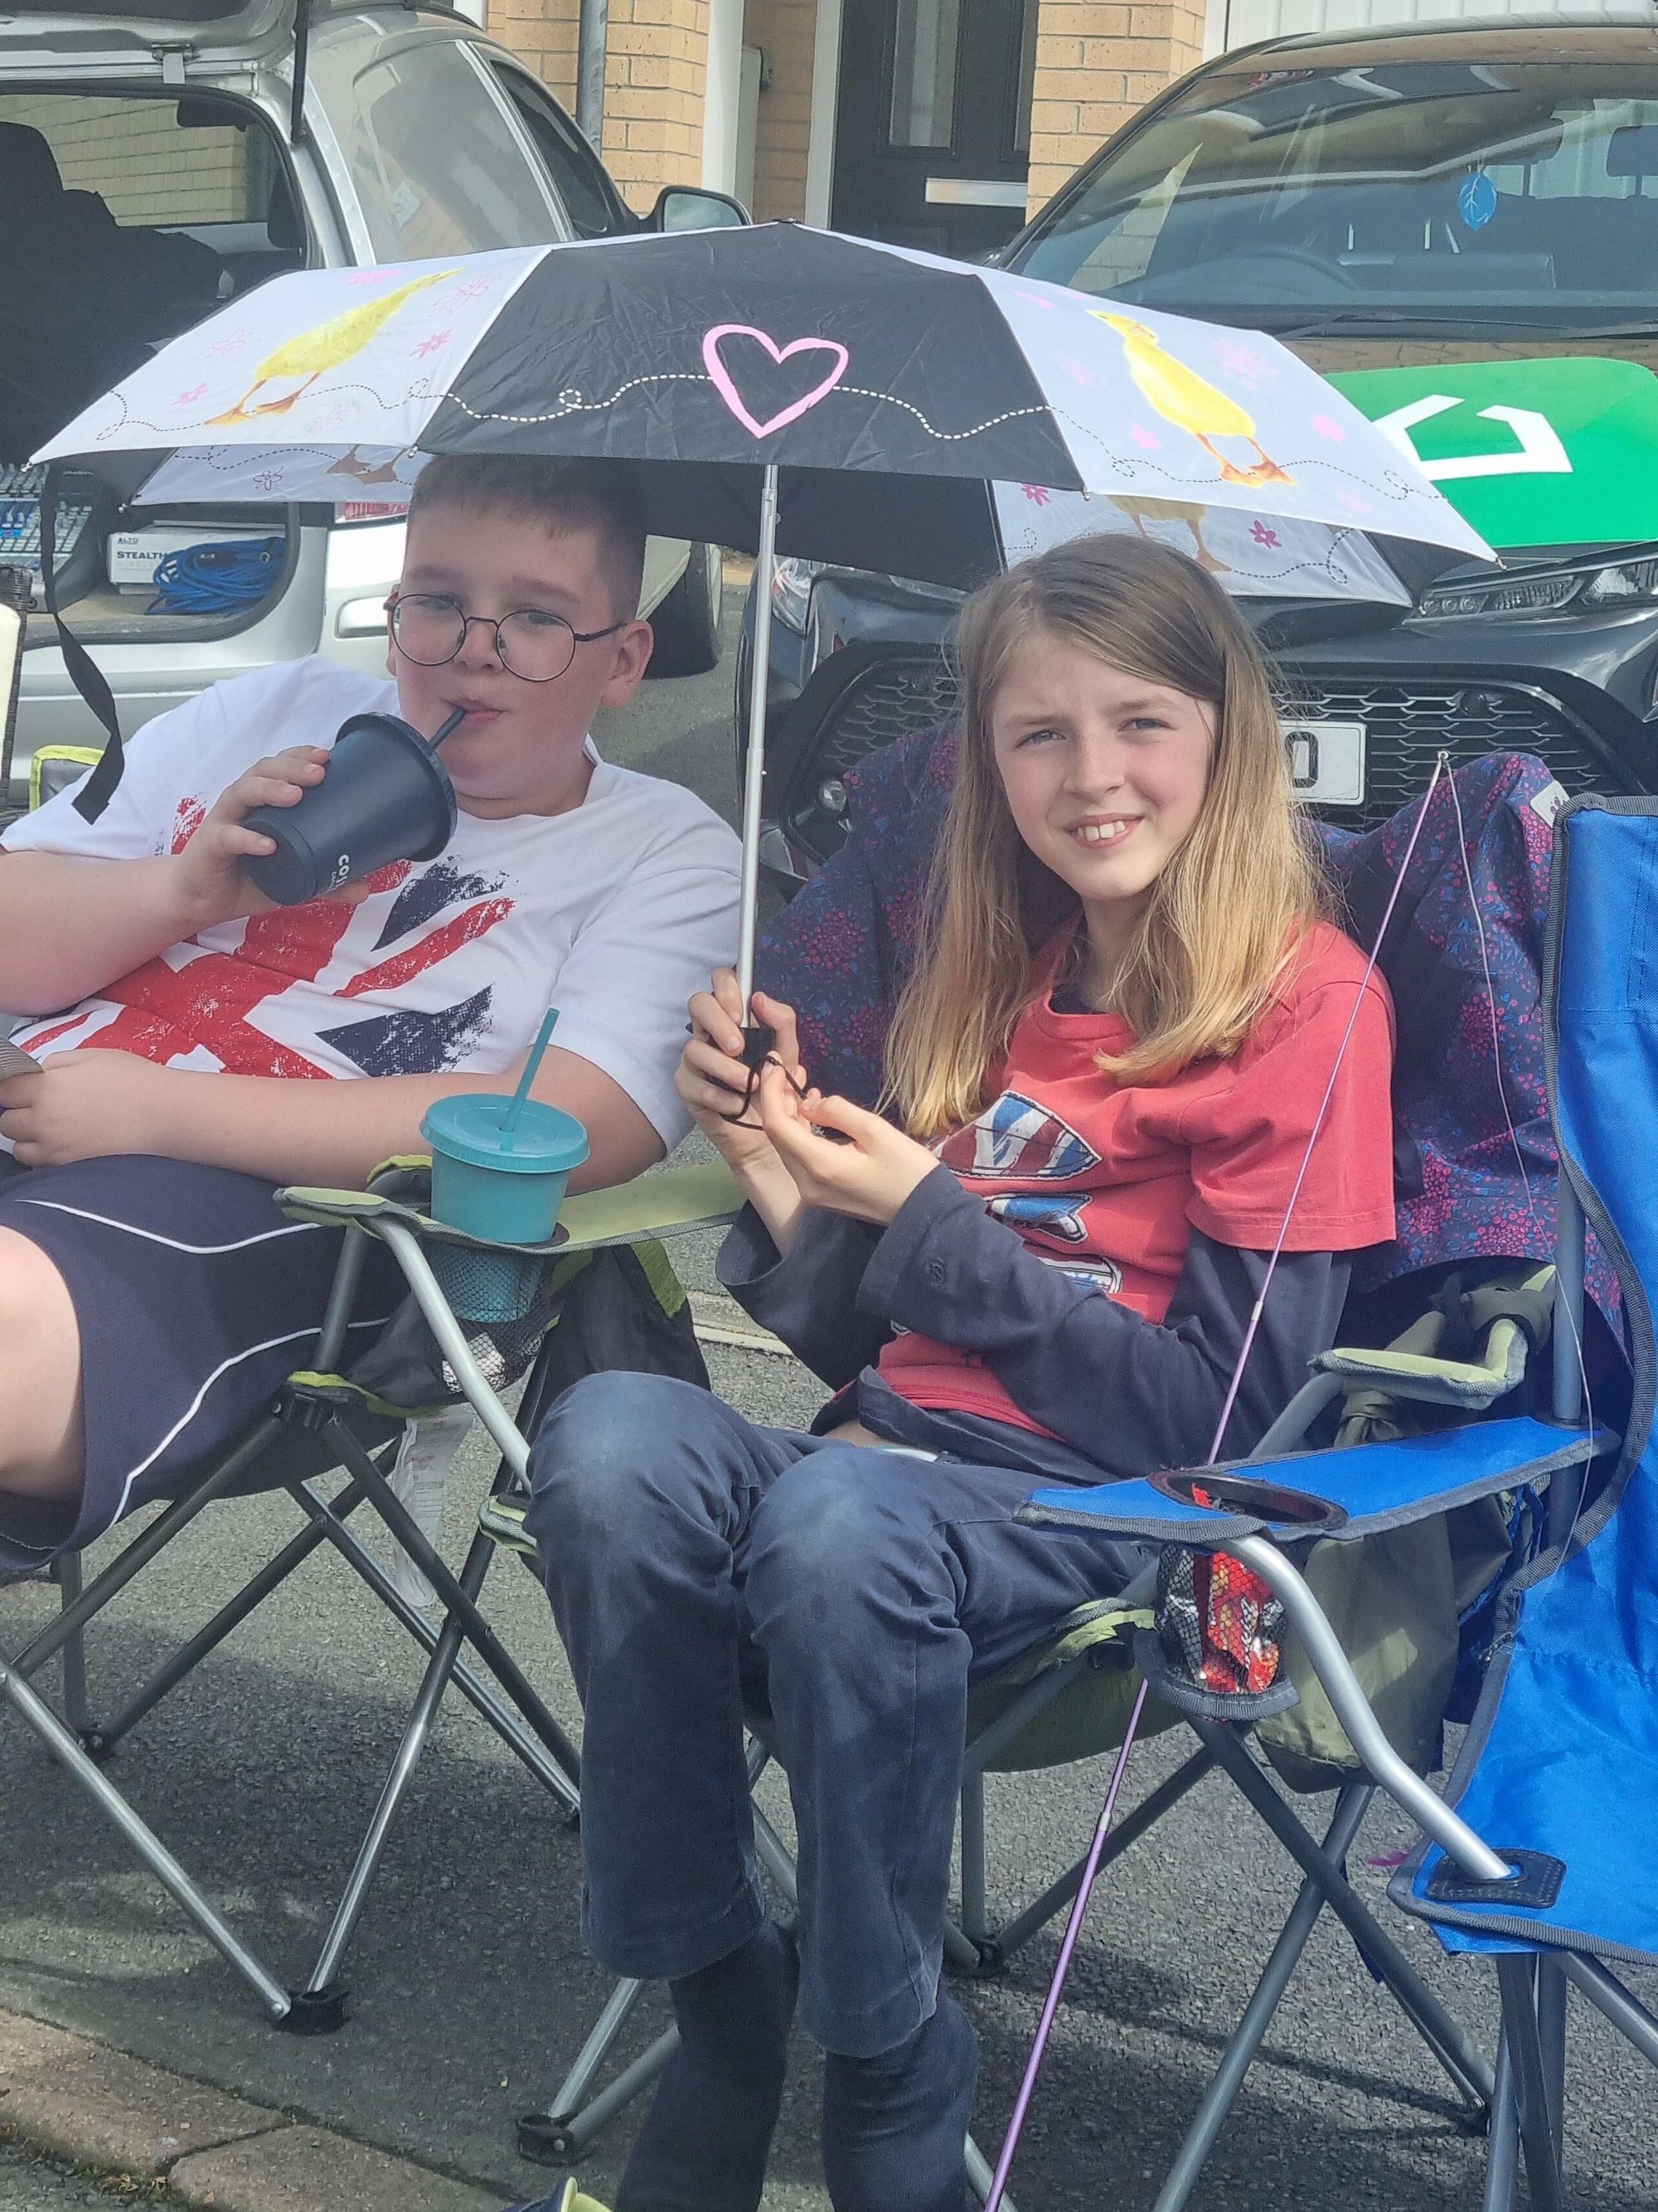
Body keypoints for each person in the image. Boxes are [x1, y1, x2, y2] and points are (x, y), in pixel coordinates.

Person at [514, 534, 1397, 2212]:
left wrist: (927, 1211)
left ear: (1227, 736)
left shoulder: (1306, 1009)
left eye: (1139, 722)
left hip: (1104, 1519)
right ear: (987, 765)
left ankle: (887, 2050)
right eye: (1037, 734)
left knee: (837, 1518)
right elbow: (888, 1349)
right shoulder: (1008, 978)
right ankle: (715, 1991)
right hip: (884, 1481)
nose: (1092, 774)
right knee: (611, 1437)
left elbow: (1225, 1421)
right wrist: (776, 1164)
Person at [0, 454, 739, 1571]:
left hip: (294, 1216)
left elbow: (583, 1118)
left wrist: (155, 1113)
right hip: (43, 1092)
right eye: (437, 601)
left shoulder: (663, 849)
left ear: (624, 659)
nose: (475, 650)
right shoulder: (280, 710)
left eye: (537, 618)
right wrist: (187, 893)